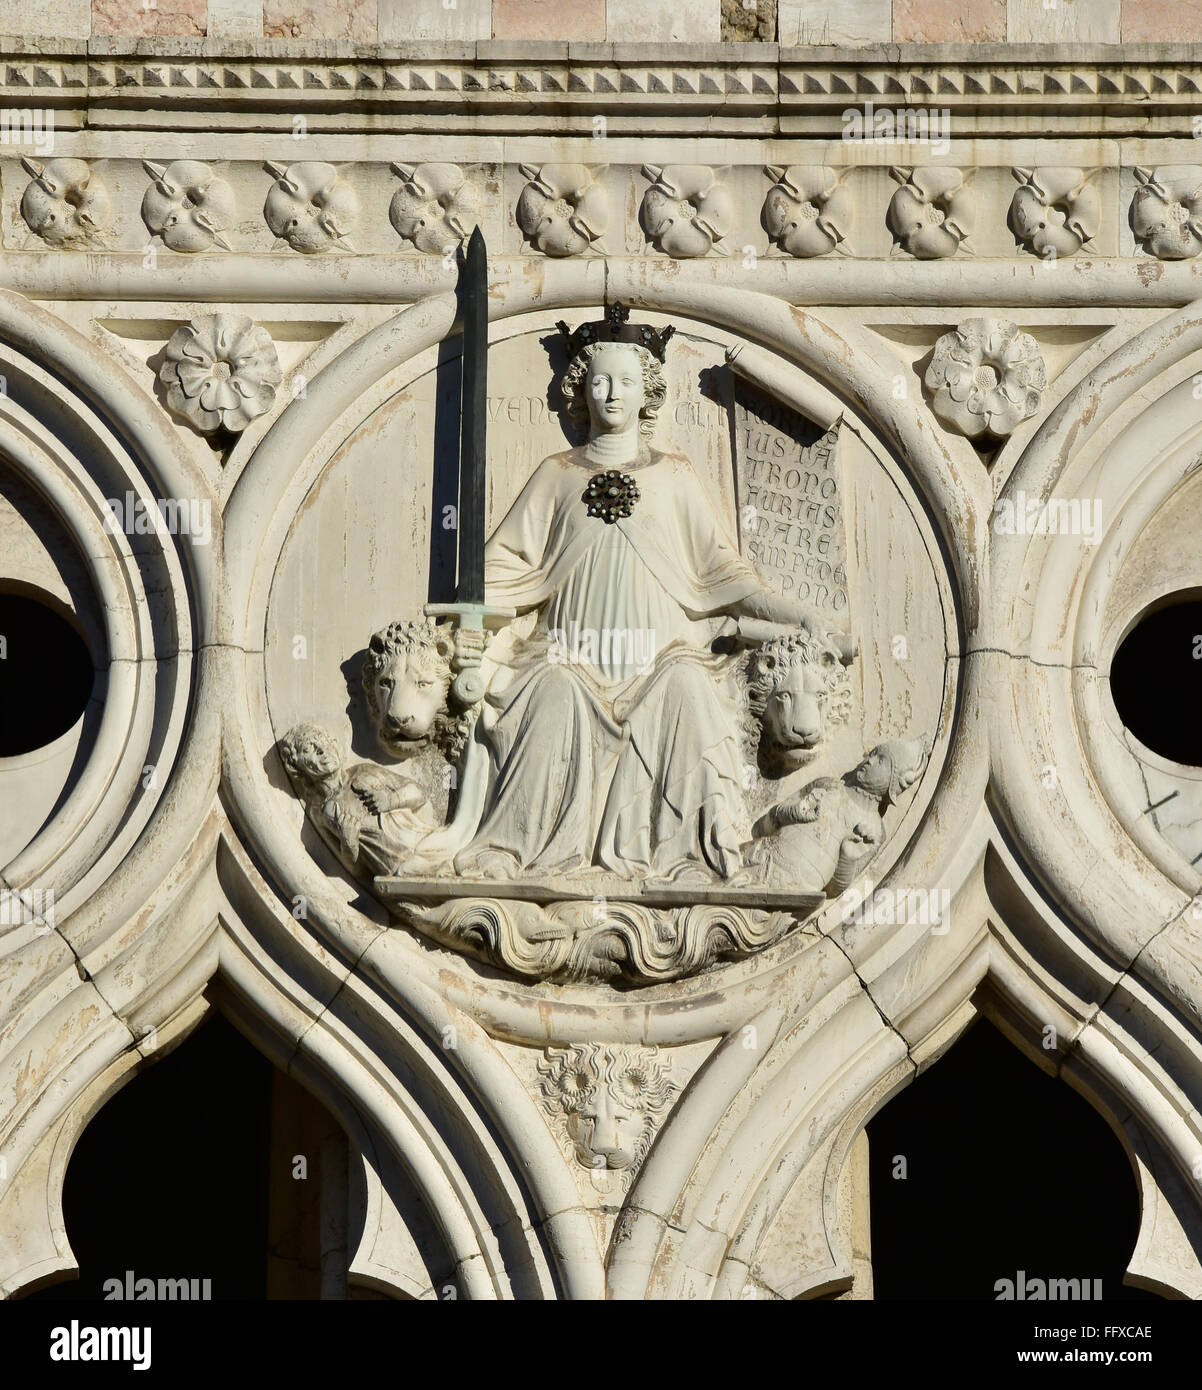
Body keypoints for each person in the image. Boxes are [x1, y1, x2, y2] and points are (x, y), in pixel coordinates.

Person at [450, 316, 847, 882]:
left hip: (661, 653)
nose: (612, 394)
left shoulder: (675, 476)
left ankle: (689, 857)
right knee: (551, 692)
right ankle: (516, 852)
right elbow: (502, 563)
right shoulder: (556, 474)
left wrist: (801, 615)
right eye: (600, 382)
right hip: (567, 650)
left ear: (648, 391)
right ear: (581, 387)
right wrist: (472, 618)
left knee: (688, 687)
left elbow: (728, 576)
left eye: (627, 382)